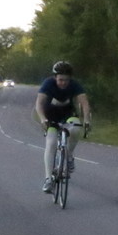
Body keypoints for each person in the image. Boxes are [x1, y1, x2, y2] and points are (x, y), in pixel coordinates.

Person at [34, 61, 93, 191]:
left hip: (68, 114)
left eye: (66, 80)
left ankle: (69, 156)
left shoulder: (74, 85)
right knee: (51, 143)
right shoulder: (48, 84)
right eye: (60, 80)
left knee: (76, 128)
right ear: (55, 77)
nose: (63, 83)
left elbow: (84, 103)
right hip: (51, 116)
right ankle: (48, 180)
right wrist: (43, 119)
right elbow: (39, 104)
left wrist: (86, 120)